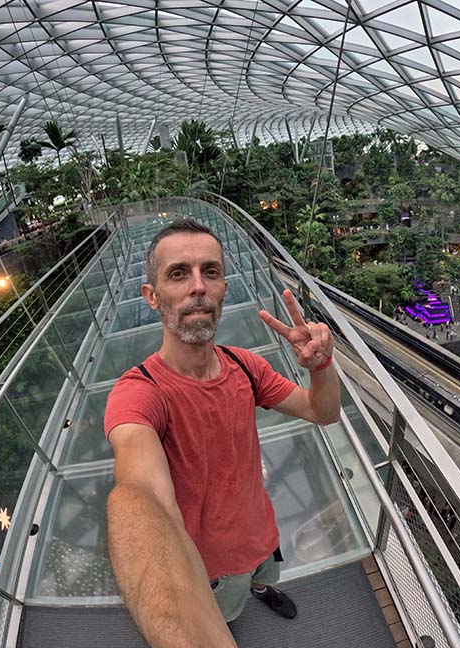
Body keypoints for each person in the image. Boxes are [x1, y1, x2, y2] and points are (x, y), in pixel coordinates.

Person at [104, 219, 341, 648]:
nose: (198, 286)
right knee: (225, 612)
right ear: (152, 297)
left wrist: (321, 367)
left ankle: (262, 588)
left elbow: (320, 412)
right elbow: (141, 492)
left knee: (264, 576)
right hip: (211, 566)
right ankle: (232, 614)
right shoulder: (139, 392)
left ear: (224, 289)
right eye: (179, 273)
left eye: (210, 272)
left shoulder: (245, 366)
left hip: (262, 532)